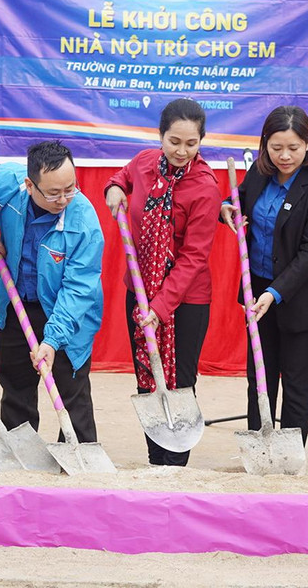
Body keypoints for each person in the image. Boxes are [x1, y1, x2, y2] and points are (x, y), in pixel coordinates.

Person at [105, 97, 219, 466]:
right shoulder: (144, 163)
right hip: (139, 290)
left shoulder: (204, 187)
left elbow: (194, 258)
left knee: (179, 383)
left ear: (201, 141)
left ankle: (176, 465)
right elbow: (122, 176)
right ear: (161, 136)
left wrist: (159, 307)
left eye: (191, 143)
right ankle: (156, 461)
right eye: (174, 142)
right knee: (146, 377)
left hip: (186, 302)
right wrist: (114, 187)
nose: (182, 151)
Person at [0, 140, 104, 442]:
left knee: (72, 392)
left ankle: (78, 461)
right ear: (30, 184)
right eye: (54, 192)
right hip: (17, 302)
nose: (64, 199)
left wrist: (53, 340)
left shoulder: (83, 221)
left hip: (67, 310)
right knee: (15, 386)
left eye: (70, 188)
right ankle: (19, 458)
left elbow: (78, 289)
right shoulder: (7, 183)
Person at [220, 105, 308, 444]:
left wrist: (275, 293)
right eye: (276, 147)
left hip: (299, 298)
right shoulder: (259, 173)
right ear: (265, 145)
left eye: (294, 148)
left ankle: (290, 452)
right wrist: (225, 208)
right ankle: (259, 444)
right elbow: (238, 200)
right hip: (256, 291)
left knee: (298, 383)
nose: (285, 156)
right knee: (259, 375)